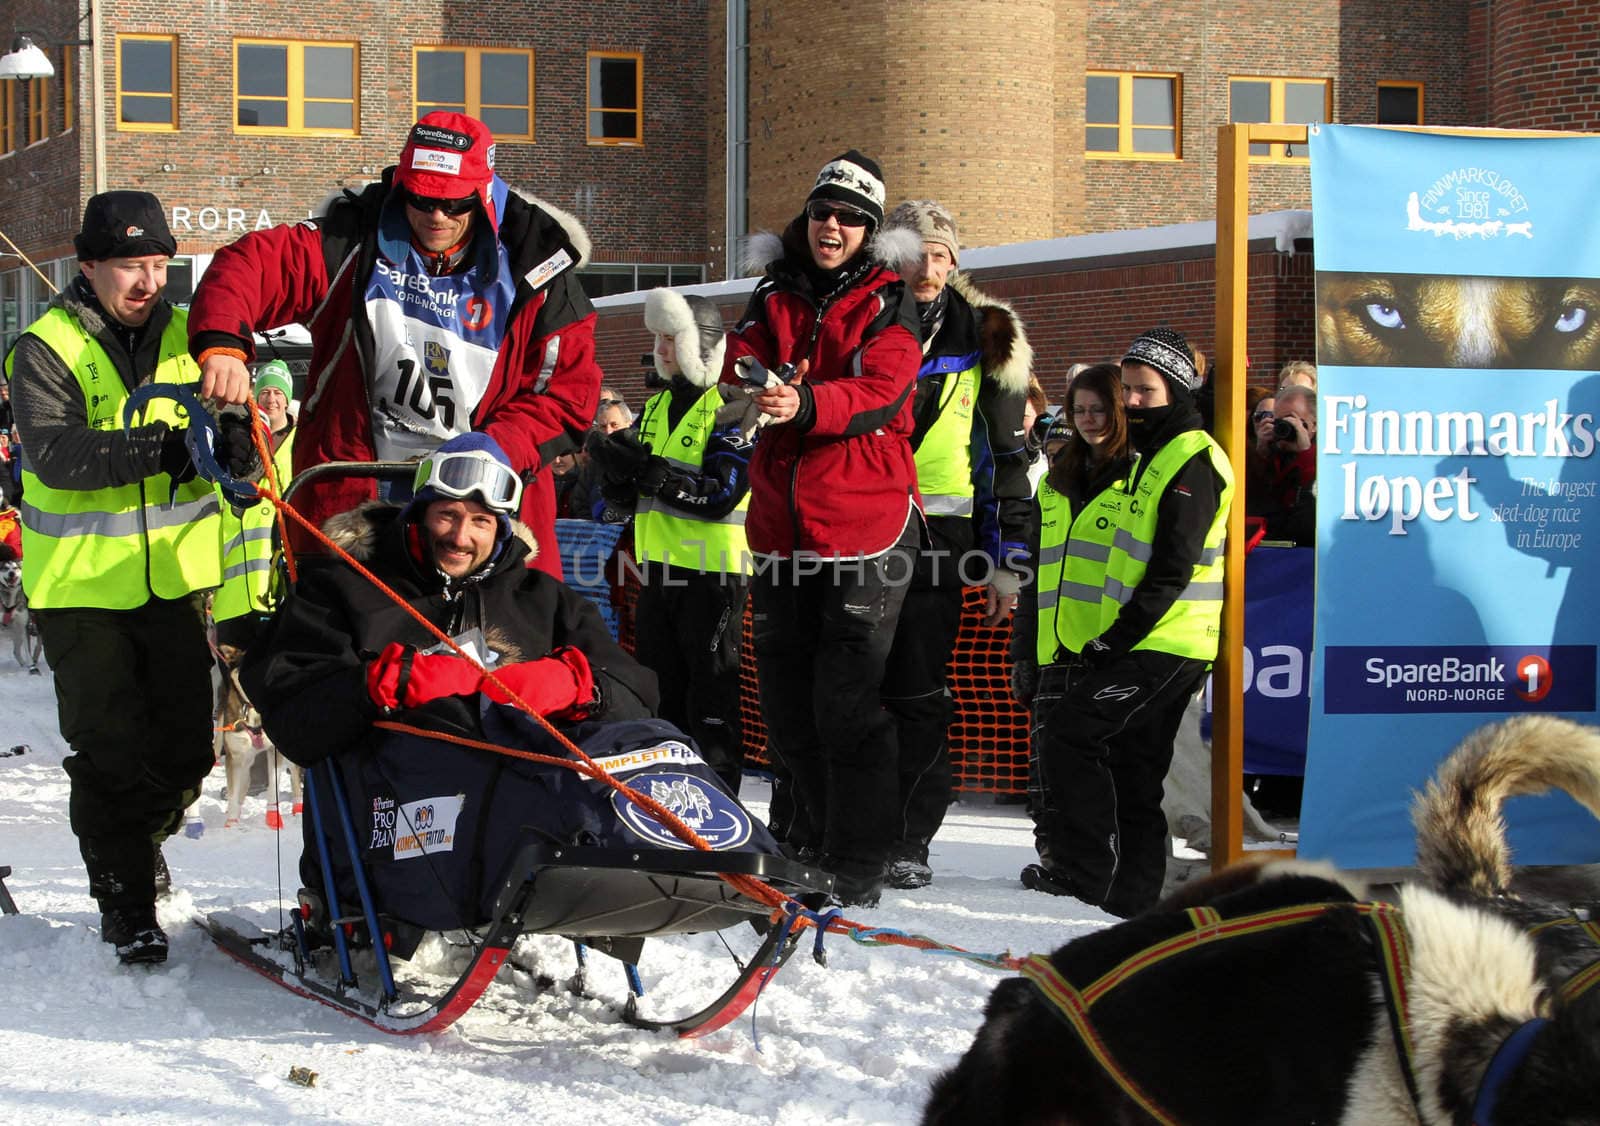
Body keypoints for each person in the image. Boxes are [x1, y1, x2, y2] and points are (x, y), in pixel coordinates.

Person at [187, 111, 602, 579]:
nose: (436, 216)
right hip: (352, 508)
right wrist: (223, 343)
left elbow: (567, 396)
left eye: (455, 204)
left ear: (484, 193)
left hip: (482, 513)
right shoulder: (352, 240)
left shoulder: (537, 266)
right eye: (420, 199)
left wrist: (490, 448)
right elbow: (249, 267)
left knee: (485, 651)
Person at [5, 190, 254, 964]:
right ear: (89, 268)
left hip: (174, 585)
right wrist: (168, 451)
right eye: (128, 267)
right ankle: (126, 905)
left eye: (158, 265)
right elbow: (57, 455)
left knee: (186, 752)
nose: (147, 282)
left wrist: (243, 436)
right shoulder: (44, 347)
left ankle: (135, 840)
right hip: (80, 590)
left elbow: (234, 424)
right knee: (108, 752)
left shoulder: (191, 338)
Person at [721, 149, 923, 907]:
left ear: (868, 231)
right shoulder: (774, 290)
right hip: (781, 529)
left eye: (847, 218)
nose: (830, 226)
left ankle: (859, 855)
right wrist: (755, 380)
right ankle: (801, 837)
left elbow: (883, 388)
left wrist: (805, 404)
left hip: (866, 529)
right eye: (821, 213)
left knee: (847, 702)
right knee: (784, 702)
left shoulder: (887, 299)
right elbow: (741, 359)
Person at [1020, 327, 1233, 918]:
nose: (1133, 401)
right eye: (1130, 390)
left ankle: (1092, 874)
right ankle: (1131, 897)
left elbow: (1172, 567)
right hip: (1142, 639)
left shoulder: (1192, 458)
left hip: (1167, 641)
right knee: (1134, 770)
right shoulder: (1153, 456)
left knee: (1074, 734)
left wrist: (1115, 637)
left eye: (1145, 390)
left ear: (1178, 389)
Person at [876, 199, 1032, 889]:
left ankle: (910, 839)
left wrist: (1009, 565)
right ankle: (848, 830)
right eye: (915, 254)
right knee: (852, 689)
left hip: (943, 537)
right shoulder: (863, 316)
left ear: (956, 263)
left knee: (917, 694)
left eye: (940, 255)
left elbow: (1007, 459)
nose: (928, 268)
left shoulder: (989, 337)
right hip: (858, 527)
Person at [592, 287, 752, 792]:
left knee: (712, 692)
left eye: (672, 339)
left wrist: (654, 475)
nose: (661, 349)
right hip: (658, 572)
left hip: (716, 575)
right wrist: (613, 476)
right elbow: (620, 503)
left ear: (700, 346)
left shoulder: (730, 406)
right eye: (658, 338)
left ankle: (720, 793)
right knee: (662, 687)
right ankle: (670, 791)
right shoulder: (656, 404)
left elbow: (724, 493)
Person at [1010, 363, 1132, 869]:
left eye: (1098, 409)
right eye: (1079, 410)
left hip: (1111, 646)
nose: (1087, 419)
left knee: (1100, 766)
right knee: (1045, 764)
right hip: (1052, 645)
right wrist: (1023, 651)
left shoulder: (1136, 478)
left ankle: (1094, 859)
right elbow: (1034, 574)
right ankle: (1056, 855)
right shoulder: (1054, 484)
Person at [211, 358, 299, 640]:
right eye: (264, 393)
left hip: (285, 594)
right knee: (233, 682)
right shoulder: (237, 441)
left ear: (286, 399)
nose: (271, 399)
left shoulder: (302, 443)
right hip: (232, 597)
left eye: (277, 392)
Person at [1246, 383, 1316, 546]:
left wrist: (1306, 454)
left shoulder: (1325, 462)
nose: (1285, 427)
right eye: (1279, 421)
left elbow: (1308, 522)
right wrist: (1260, 454)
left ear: (1315, 425)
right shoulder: (1266, 459)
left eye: (1294, 421)